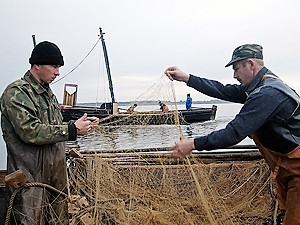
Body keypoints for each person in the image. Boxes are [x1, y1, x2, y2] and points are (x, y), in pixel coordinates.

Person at [164, 44, 300, 225]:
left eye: (236, 68)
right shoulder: (259, 85)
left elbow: (233, 133)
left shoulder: (267, 93)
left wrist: (193, 144)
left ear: (250, 64)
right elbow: (222, 90)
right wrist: (187, 78)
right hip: (287, 171)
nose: (234, 75)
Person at [0, 41, 99, 225]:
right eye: (54, 66)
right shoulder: (16, 93)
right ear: (37, 64)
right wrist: (71, 129)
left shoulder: (48, 94)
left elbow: (53, 127)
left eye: (59, 67)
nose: (58, 72)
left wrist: (79, 126)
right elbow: (31, 131)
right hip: (30, 183)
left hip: (55, 182)